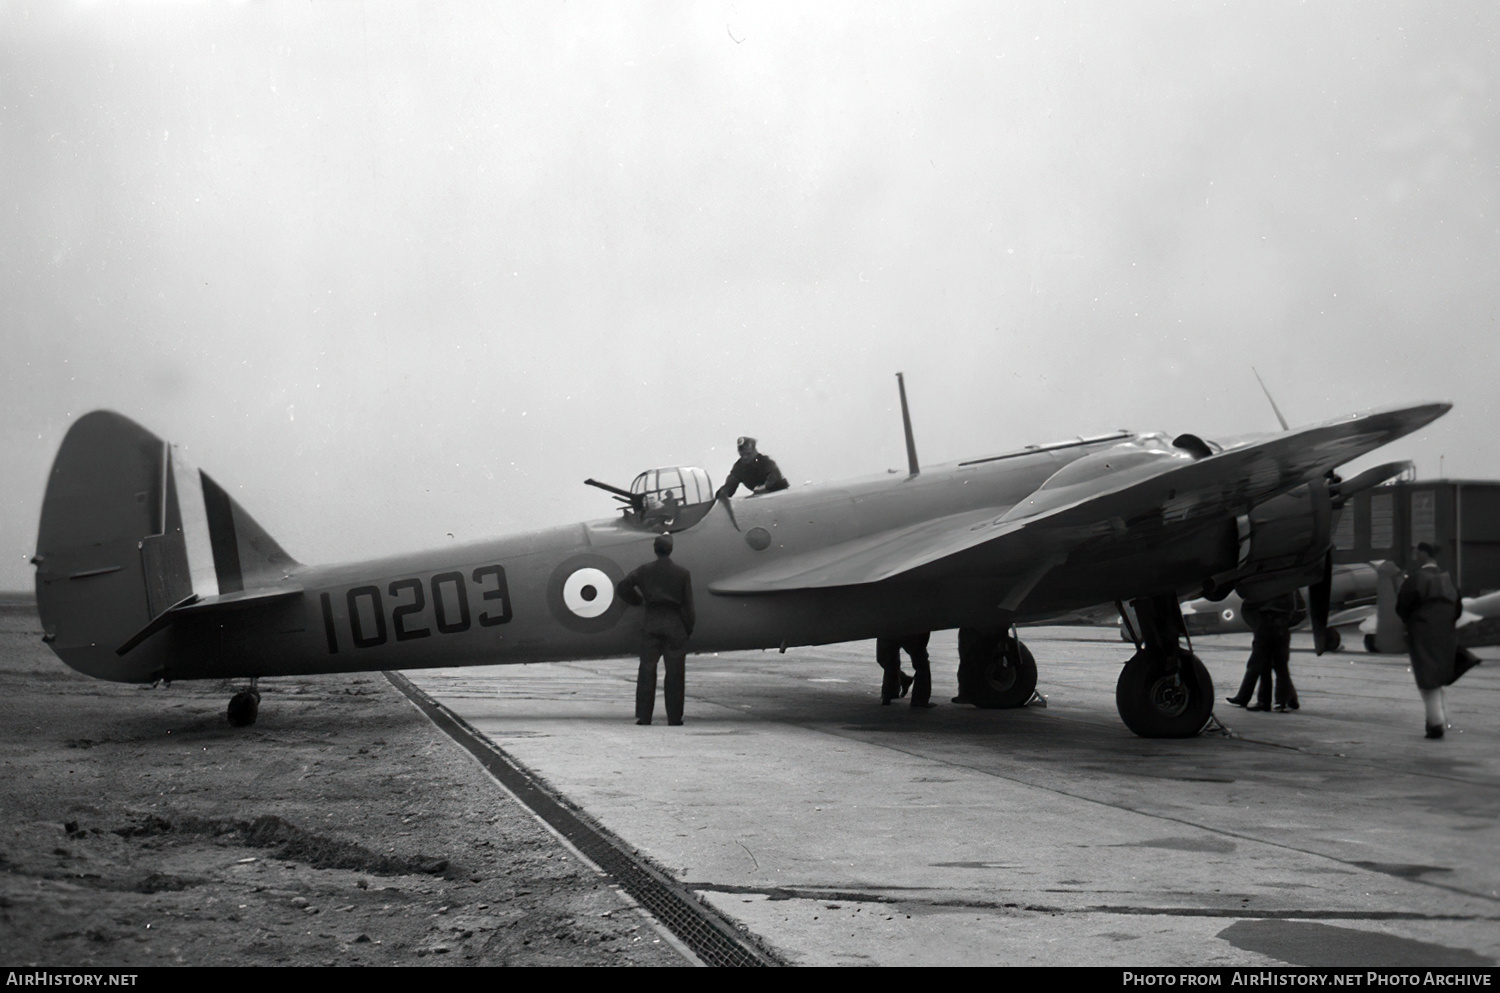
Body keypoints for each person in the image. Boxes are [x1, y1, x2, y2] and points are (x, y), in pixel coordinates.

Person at [616, 534, 696, 726]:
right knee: (675, 672)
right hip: (674, 624)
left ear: (655, 549)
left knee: (647, 669)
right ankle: (674, 718)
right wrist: (687, 629)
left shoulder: (644, 570)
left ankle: (644, 717)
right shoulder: (682, 573)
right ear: (671, 549)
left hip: (651, 621)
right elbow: (688, 606)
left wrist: (638, 600)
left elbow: (623, 586)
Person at [1396, 542, 1461, 739]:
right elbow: (1458, 608)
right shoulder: (1448, 579)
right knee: (1436, 676)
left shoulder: (1416, 579)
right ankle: (1437, 717)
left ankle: (1436, 722)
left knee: (1427, 678)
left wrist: (1412, 623)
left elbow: (1402, 607)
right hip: (1446, 632)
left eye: (1417, 552)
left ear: (1424, 554)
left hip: (1422, 631)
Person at [1227, 592, 1300, 712]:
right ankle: (1282, 701)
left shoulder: (1268, 591)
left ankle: (1265, 701)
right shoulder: (1287, 588)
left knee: (1261, 664)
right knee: (1276, 666)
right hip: (1275, 626)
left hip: (1267, 626)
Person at [714, 436, 788, 500]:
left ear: (754, 451)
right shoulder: (739, 467)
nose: (745, 457)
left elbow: (774, 475)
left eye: (748, 454)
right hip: (761, 498)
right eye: (742, 455)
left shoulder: (764, 461)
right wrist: (722, 493)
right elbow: (730, 484)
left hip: (779, 494)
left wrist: (765, 487)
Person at [876, 634, 934, 708]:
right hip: (910, 627)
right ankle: (919, 700)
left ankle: (891, 692)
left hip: (889, 627)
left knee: (888, 660)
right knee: (920, 662)